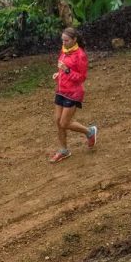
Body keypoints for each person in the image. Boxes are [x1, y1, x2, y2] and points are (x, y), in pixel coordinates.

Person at [50, 27, 96, 163]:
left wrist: (67, 70)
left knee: (65, 122)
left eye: (66, 40)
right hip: (61, 89)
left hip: (73, 92)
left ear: (74, 40)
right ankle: (63, 150)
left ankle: (89, 132)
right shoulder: (64, 50)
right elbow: (62, 68)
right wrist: (58, 74)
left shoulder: (80, 55)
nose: (63, 43)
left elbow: (81, 77)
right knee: (58, 122)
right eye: (62, 40)